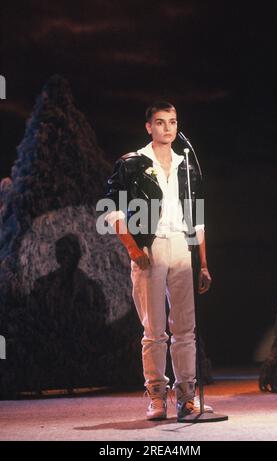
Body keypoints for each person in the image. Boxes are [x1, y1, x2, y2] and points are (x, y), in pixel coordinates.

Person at [102, 101, 212, 422]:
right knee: (154, 328)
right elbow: (112, 208)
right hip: (149, 247)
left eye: (173, 122)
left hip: (181, 245)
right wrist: (133, 249)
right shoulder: (132, 164)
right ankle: (156, 395)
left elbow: (197, 218)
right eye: (161, 122)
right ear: (149, 126)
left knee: (185, 328)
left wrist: (203, 263)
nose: (168, 128)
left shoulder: (186, 165)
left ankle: (187, 396)